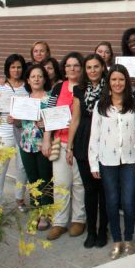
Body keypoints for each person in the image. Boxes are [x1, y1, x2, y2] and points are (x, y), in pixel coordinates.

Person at [89, 65, 135, 259]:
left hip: (130, 159)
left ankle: (128, 239)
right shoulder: (100, 105)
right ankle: (117, 241)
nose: (117, 83)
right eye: (114, 79)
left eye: (121, 79)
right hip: (107, 160)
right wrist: (93, 163)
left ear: (126, 81)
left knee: (128, 201)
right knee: (111, 201)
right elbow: (95, 135)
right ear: (109, 82)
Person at [42, 52, 85, 241]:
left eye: (76, 65)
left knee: (79, 183)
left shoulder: (86, 88)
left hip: (80, 143)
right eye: (68, 65)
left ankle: (78, 219)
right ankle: (59, 222)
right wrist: (47, 138)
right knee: (61, 183)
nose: (72, 69)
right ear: (64, 69)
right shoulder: (58, 88)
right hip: (60, 142)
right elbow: (49, 114)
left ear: (81, 68)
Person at [71, 53, 109, 248]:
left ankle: (103, 230)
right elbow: (75, 119)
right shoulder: (79, 89)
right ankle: (91, 231)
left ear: (102, 67)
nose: (93, 70)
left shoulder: (110, 87)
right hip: (83, 141)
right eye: (89, 67)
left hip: (105, 140)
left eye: (96, 66)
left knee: (104, 190)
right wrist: (69, 146)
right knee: (90, 189)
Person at [14, 64, 53, 231]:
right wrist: (13, 119)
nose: (36, 79)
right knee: (32, 180)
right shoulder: (24, 99)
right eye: (33, 76)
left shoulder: (50, 98)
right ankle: (36, 211)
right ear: (28, 80)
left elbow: (54, 121)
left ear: (44, 79)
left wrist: (46, 126)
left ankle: (46, 213)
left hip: (43, 144)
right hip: (26, 143)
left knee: (45, 179)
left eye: (40, 76)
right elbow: (19, 123)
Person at [0, 54, 29, 210]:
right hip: (4, 129)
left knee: (22, 166)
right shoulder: (0, 86)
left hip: (23, 129)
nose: (16, 70)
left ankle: (19, 198)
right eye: (13, 67)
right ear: (8, 68)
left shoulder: (27, 86)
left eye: (19, 67)